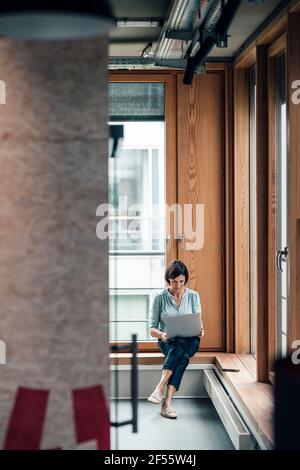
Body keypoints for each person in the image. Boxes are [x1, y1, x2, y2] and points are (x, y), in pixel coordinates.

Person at [148, 259, 204, 419]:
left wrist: (200, 330)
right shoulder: (159, 298)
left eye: (181, 281)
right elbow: (152, 328)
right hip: (168, 341)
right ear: (168, 280)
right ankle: (167, 404)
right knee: (182, 356)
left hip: (191, 340)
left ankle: (159, 388)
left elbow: (198, 321)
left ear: (185, 279)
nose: (178, 286)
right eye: (174, 281)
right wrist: (162, 335)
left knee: (182, 345)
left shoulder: (194, 296)